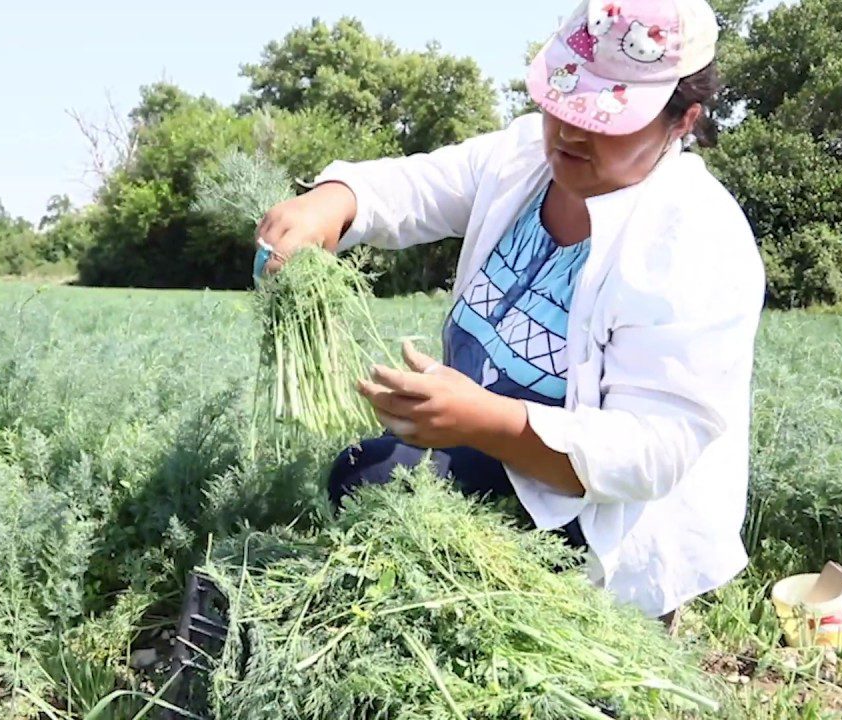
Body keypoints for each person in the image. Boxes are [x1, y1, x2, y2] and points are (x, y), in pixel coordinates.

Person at [254, 0, 765, 623]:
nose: (572, 133)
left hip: (603, 513)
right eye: (565, 103)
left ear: (682, 120)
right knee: (365, 481)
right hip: (486, 445)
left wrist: (482, 420)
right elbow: (420, 186)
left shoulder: (696, 237)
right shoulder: (526, 154)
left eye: (608, 119)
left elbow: (650, 451)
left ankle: (614, 624)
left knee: (507, 618)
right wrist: (334, 201)